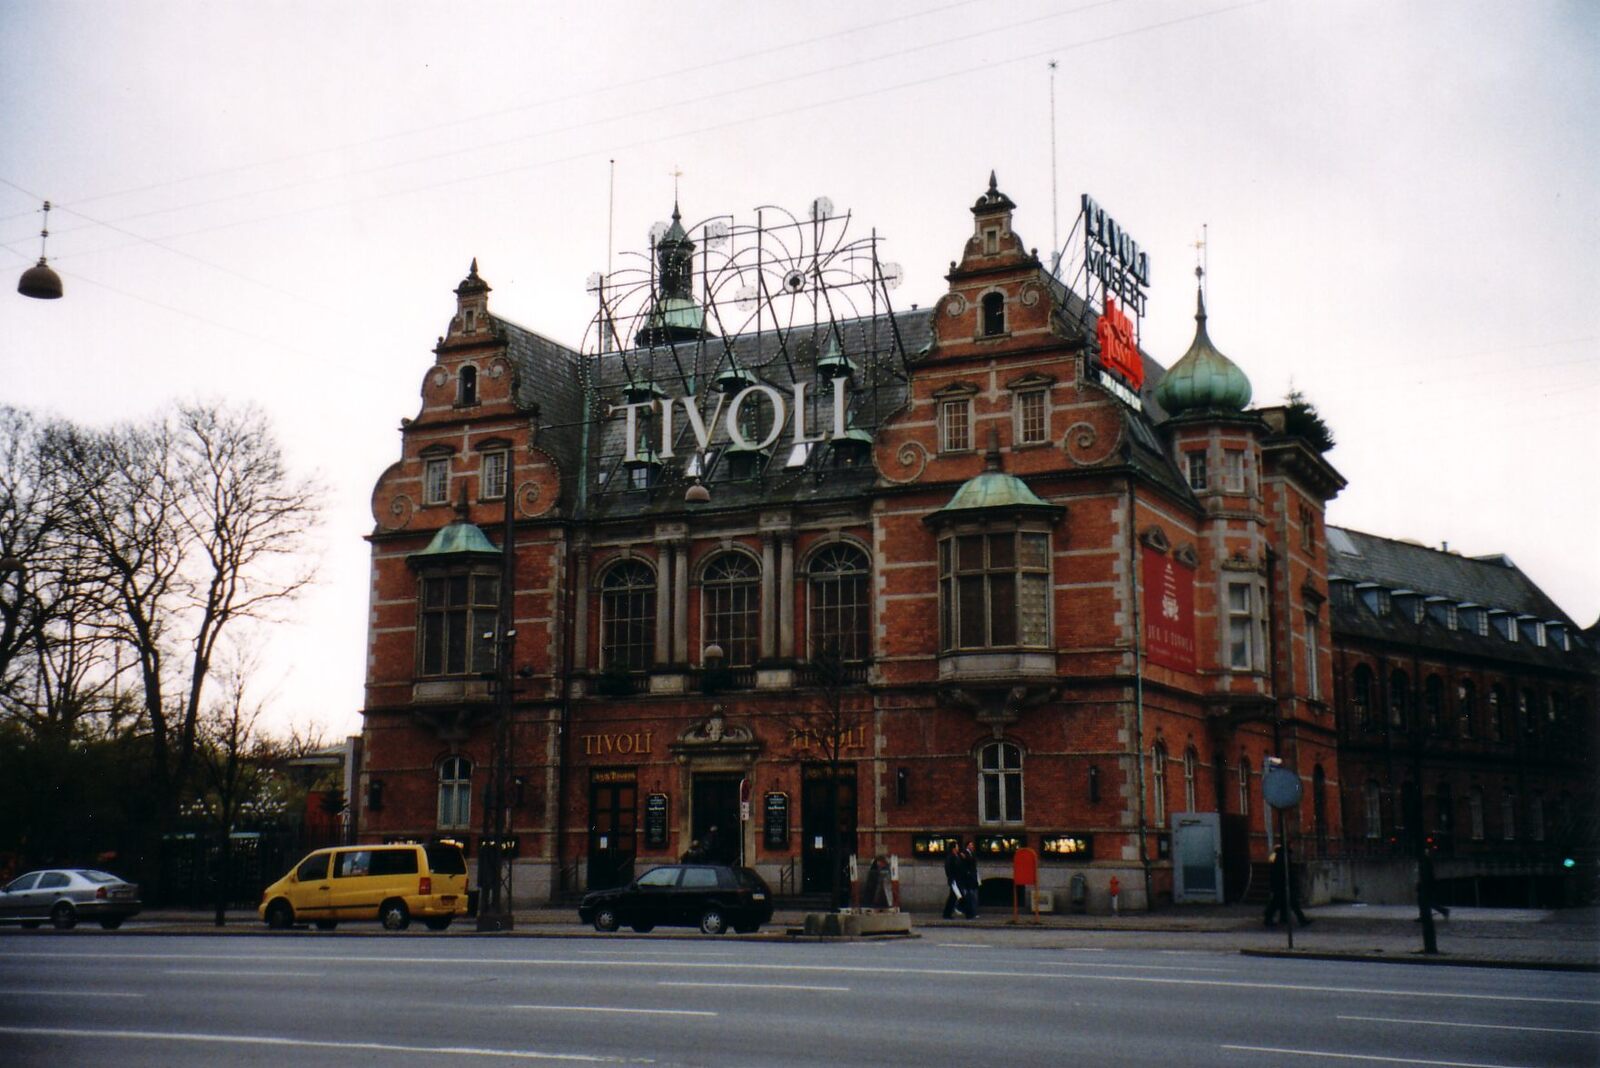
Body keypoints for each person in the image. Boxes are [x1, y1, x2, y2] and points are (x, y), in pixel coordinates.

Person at [1263, 844, 1311, 927]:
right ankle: (1302, 920)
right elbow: (1287, 873)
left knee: (1276, 903)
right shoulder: (1283, 859)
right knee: (1292, 904)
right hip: (1283, 886)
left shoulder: (1277, 859)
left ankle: (1269, 917)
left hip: (1279, 886)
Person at [941, 843, 964, 919]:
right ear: (953, 848)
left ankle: (948, 913)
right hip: (954, 880)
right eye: (957, 847)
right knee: (953, 897)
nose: (958, 848)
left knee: (953, 897)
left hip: (957, 879)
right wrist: (951, 878)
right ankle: (947, 913)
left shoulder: (957, 856)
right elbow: (948, 868)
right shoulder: (950, 857)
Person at [960, 840, 981, 919]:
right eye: (971, 845)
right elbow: (965, 864)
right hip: (968, 878)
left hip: (973, 877)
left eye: (972, 845)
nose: (972, 846)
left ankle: (973, 912)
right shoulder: (964, 853)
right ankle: (970, 912)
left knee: (974, 895)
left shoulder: (972, 854)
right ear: (967, 846)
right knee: (970, 895)